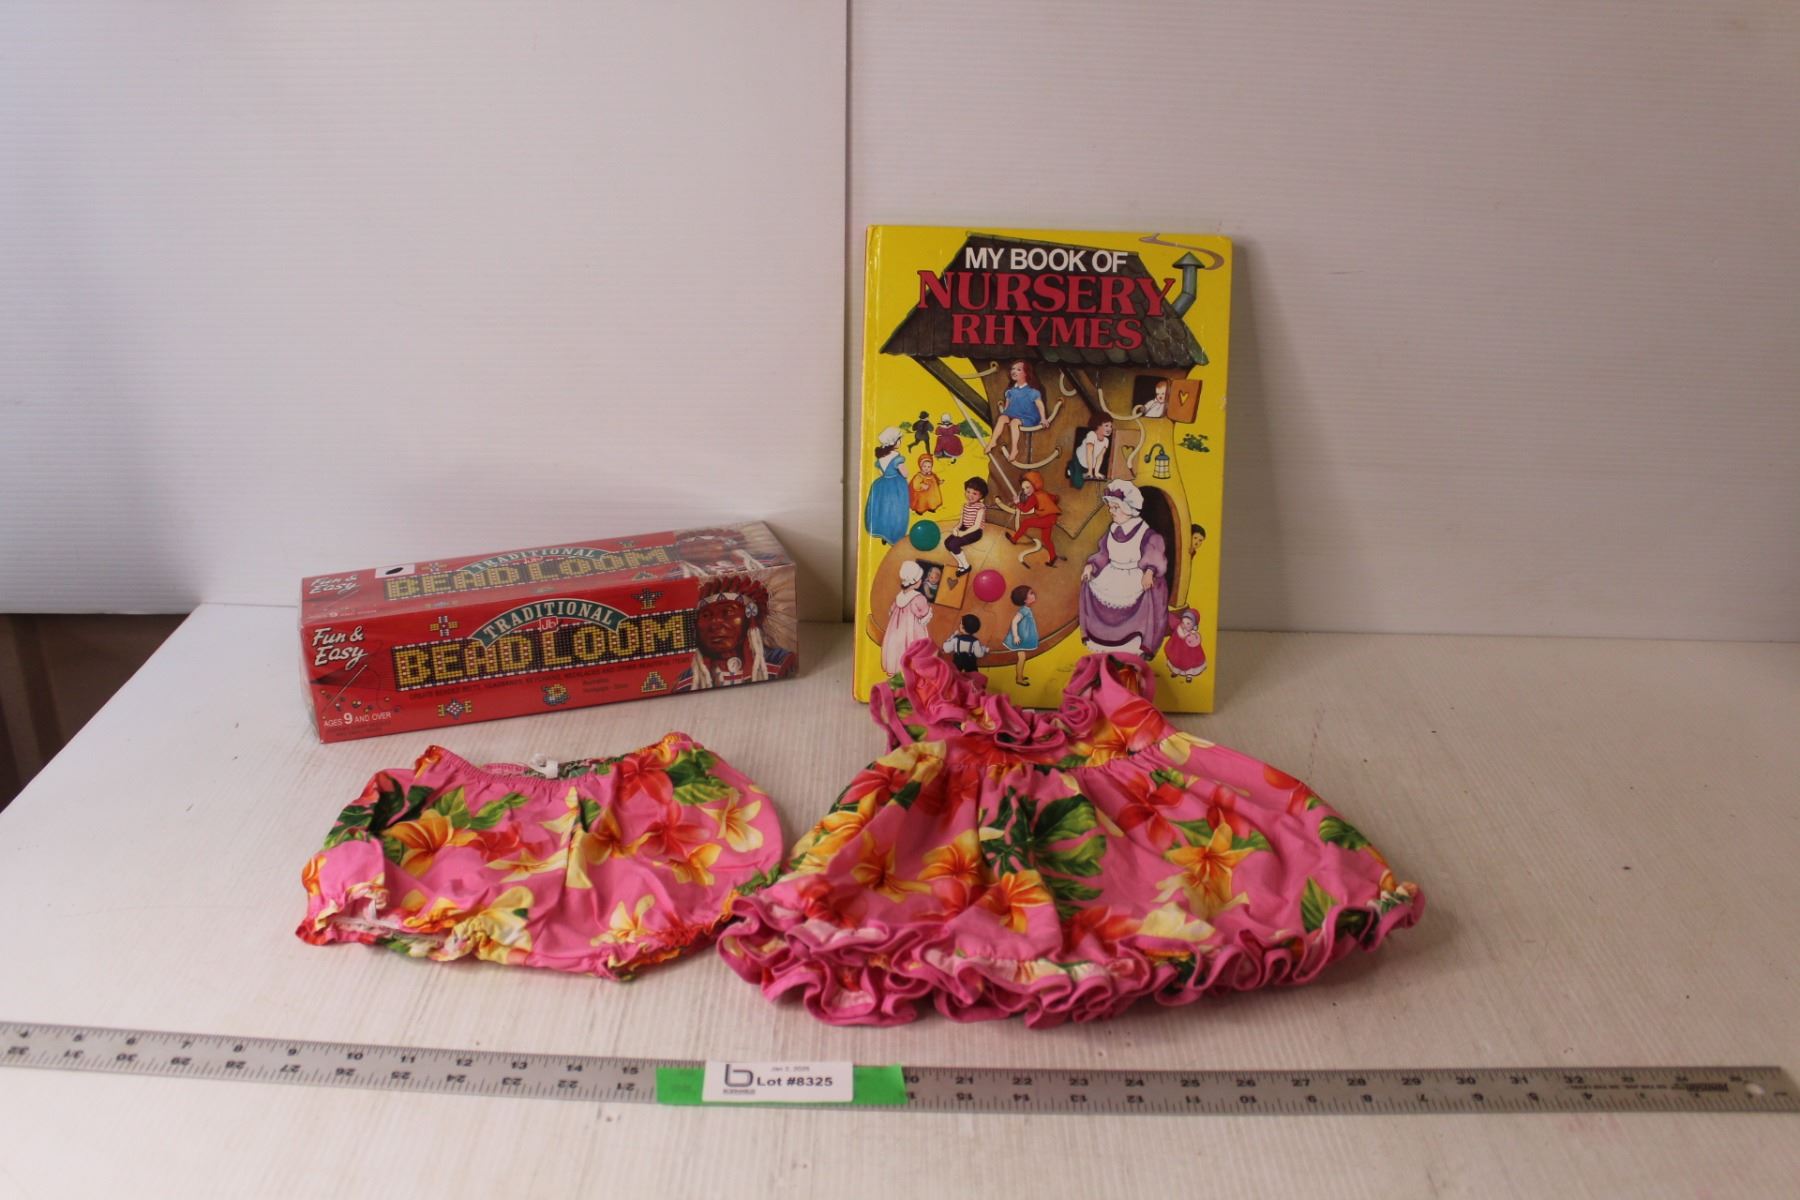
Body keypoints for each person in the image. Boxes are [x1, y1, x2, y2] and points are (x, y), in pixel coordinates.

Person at [1079, 480, 1169, 656]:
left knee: (1143, 594)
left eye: (1115, 507)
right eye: (1110, 507)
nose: (1111, 511)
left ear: (1128, 508)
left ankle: (1134, 642)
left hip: (1133, 574)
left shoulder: (1145, 533)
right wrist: (1091, 566)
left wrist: (1149, 571)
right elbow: (1104, 553)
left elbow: (1155, 553)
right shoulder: (1113, 530)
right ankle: (1103, 638)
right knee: (1090, 585)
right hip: (1113, 572)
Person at [680, 576, 795, 689]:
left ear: (751, 617)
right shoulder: (688, 681)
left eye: (728, 612)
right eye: (706, 615)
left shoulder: (781, 663)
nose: (714, 623)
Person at [998, 469, 1061, 566]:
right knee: (1046, 539)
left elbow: (1025, 509)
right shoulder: (1042, 492)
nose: (1025, 490)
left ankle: (1014, 539)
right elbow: (1055, 498)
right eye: (1023, 488)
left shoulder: (1033, 497)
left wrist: (1017, 503)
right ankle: (1053, 557)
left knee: (1026, 523)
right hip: (1052, 518)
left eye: (1027, 487)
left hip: (1047, 519)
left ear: (1035, 484)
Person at [986, 360, 1047, 461]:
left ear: (1026, 373)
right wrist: (1004, 414)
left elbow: (1040, 405)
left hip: (1027, 417)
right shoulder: (1010, 391)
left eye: (1018, 369)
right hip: (1013, 414)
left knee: (1014, 422)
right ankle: (993, 441)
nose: (1014, 371)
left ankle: (1014, 449)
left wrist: (1043, 418)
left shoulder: (1032, 392)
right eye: (1013, 369)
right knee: (1002, 418)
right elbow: (1007, 406)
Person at [881, 561, 934, 676]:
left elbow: (891, 611)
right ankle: (912, 672)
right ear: (916, 582)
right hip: (912, 630)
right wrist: (929, 610)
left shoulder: (899, 596)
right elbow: (924, 614)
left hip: (896, 631)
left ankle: (896, 670)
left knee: (897, 648)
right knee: (912, 646)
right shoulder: (918, 598)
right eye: (920, 579)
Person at [863, 427, 910, 545]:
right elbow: (905, 473)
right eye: (899, 439)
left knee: (884, 510)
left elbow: (881, 472)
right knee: (896, 511)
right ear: (894, 442)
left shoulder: (881, 457)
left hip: (882, 485)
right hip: (896, 487)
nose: (900, 441)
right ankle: (894, 536)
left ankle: (884, 535)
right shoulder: (897, 457)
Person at [944, 477, 988, 577]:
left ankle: (966, 566)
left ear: (981, 496)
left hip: (975, 532)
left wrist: (963, 533)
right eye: (968, 491)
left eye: (974, 493)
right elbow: (961, 522)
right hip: (964, 528)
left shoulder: (981, 508)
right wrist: (956, 528)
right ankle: (961, 564)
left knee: (954, 544)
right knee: (947, 543)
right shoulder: (965, 505)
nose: (970, 495)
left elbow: (976, 526)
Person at [1003, 584, 1039, 685]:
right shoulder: (1024, 610)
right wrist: (1016, 636)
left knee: (1022, 658)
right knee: (1022, 658)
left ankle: (1020, 675)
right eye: (1031, 593)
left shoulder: (1026, 609)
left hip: (1022, 639)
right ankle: (1019, 679)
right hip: (1020, 640)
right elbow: (1014, 622)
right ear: (1025, 600)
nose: (1034, 594)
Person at [1164, 607, 1207, 679]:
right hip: (1178, 649)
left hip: (1189, 652)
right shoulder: (1179, 628)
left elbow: (1195, 641)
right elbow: (1180, 635)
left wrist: (1192, 636)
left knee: (1190, 661)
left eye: (1188, 623)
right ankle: (1175, 671)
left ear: (1194, 625)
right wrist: (1186, 635)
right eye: (1183, 622)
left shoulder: (1193, 633)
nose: (1184, 625)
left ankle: (1189, 674)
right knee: (1177, 661)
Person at [1069, 419, 1113, 487]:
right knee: (1078, 484)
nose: (1109, 429)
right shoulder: (1091, 435)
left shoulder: (1106, 441)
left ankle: (1080, 473)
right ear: (1098, 426)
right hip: (1079, 460)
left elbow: (1100, 457)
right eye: (1106, 425)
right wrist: (1090, 472)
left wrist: (1096, 472)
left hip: (1089, 465)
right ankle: (1071, 467)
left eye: (1111, 426)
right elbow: (1089, 453)